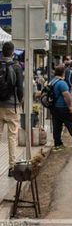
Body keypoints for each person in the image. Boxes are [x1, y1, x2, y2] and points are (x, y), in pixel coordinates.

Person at [0, 42, 24, 177]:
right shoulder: (16, 66)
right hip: (11, 106)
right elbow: (20, 88)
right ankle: (11, 166)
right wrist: (19, 101)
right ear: (13, 52)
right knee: (12, 137)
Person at [49, 64, 72, 151]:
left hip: (54, 107)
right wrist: (70, 106)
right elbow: (66, 96)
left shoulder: (52, 81)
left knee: (57, 125)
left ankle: (57, 144)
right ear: (63, 73)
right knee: (70, 123)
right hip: (62, 107)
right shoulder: (62, 83)